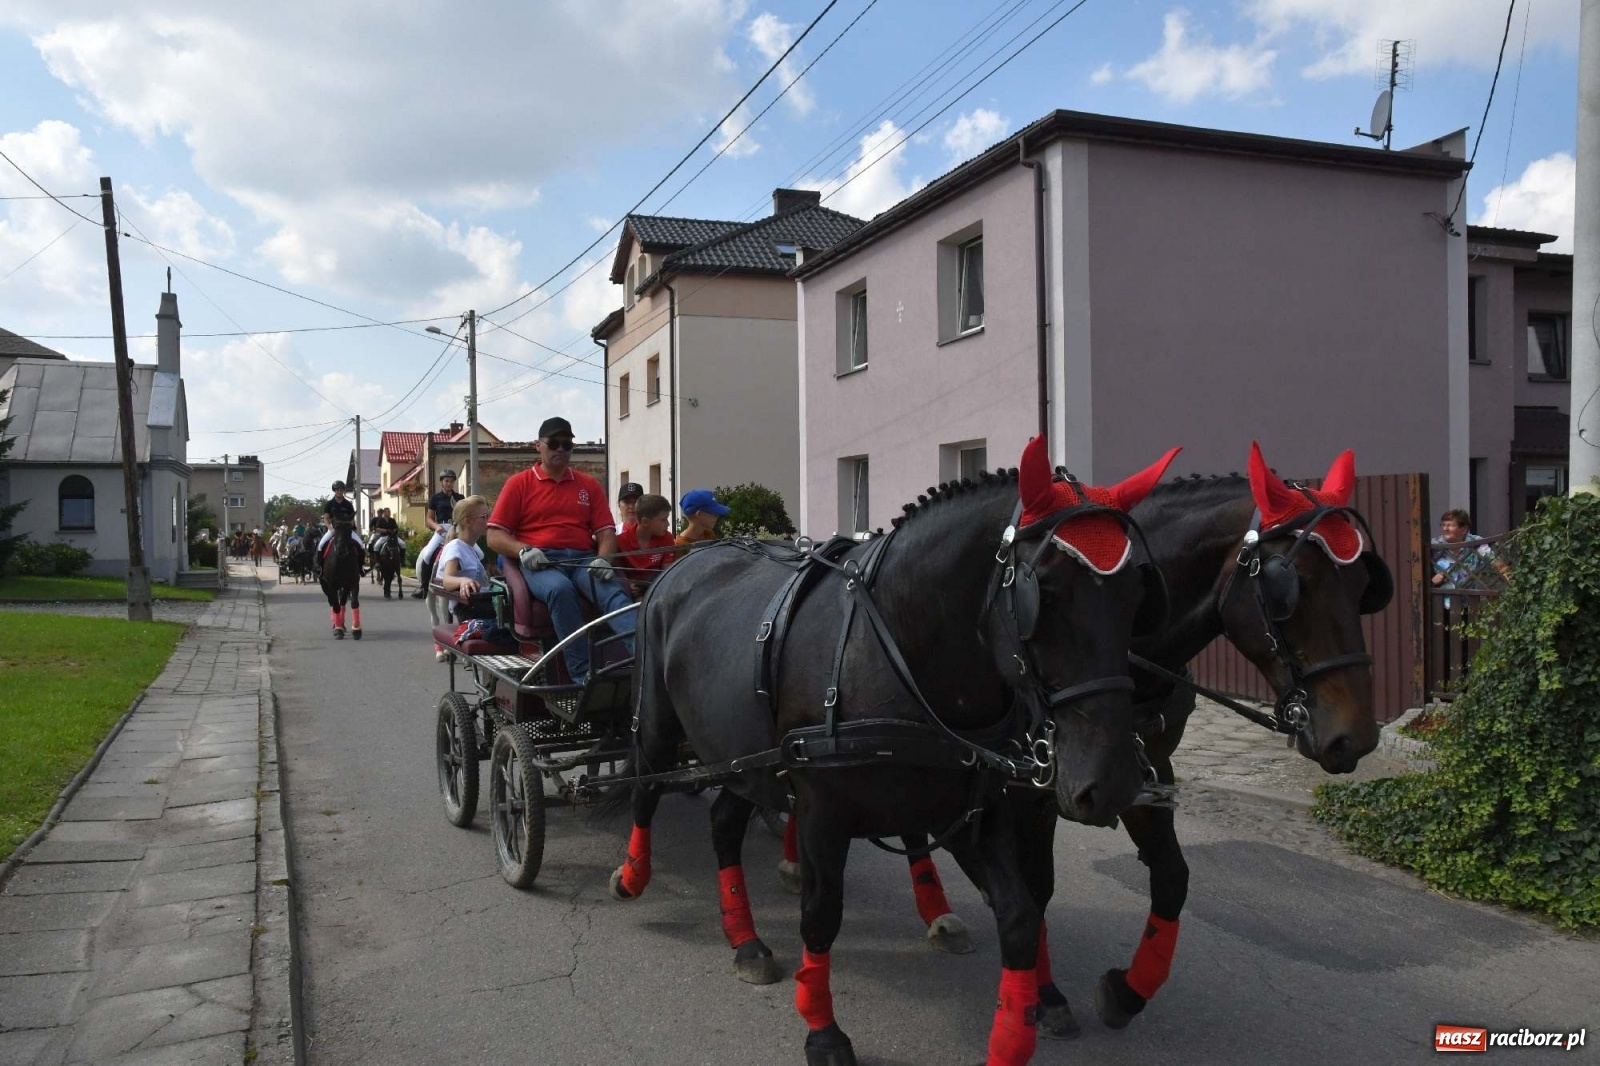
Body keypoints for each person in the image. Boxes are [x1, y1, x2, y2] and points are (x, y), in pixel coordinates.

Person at [485, 416, 636, 685]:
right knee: (559, 590)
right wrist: (522, 550)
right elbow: (494, 535)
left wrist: (604, 558)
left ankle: (645, 660)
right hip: (541, 561)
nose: (560, 449)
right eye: (554, 443)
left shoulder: (588, 485)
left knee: (613, 592)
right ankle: (582, 674)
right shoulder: (519, 484)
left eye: (567, 444)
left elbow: (606, 532)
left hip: (582, 560)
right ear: (538, 446)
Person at [436, 495, 497, 660]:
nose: (488, 520)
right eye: (484, 517)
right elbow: (447, 580)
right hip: (472, 609)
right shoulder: (455, 547)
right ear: (468, 522)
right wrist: (462, 580)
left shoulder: (472, 549)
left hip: (483, 604)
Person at [1431, 508, 1509, 610]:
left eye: (1450, 525)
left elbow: (1493, 559)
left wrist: (1510, 577)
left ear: (1464, 529)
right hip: (1439, 604)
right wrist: (1432, 580)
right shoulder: (1435, 545)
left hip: (1468, 602)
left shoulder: (1475, 543)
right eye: (1443, 525)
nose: (1445, 529)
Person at [412, 470, 464, 599]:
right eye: (446, 481)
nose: (449, 483)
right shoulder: (435, 498)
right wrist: (436, 527)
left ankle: (484, 580)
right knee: (428, 555)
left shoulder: (460, 498)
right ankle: (424, 587)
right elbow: (429, 519)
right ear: (442, 482)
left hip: (457, 528)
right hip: (442, 528)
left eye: (451, 481)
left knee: (479, 553)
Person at [614, 493, 677, 586]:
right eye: (663, 519)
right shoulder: (620, 541)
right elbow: (617, 574)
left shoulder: (667, 538)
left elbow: (666, 575)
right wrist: (628, 586)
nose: (668, 524)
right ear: (645, 522)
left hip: (655, 589)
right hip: (628, 593)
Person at [315, 482, 362, 576]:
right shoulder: (329, 504)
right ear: (334, 491)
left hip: (346, 530)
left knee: (361, 545)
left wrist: (349, 526)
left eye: (341, 490)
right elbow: (326, 518)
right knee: (320, 546)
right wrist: (330, 528)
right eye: (337, 490)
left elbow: (352, 519)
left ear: (344, 491)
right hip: (333, 529)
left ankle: (361, 567)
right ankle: (319, 567)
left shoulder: (348, 504)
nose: (339, 492)